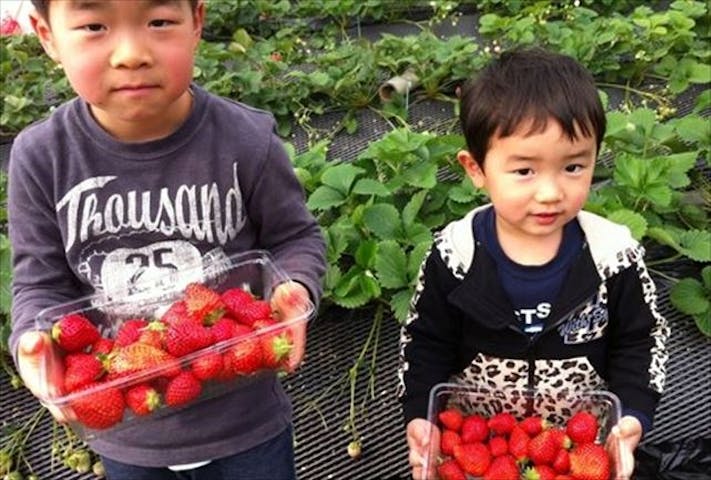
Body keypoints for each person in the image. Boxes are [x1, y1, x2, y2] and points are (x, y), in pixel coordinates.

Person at [8, 1, 326, 479]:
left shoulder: (247, 139)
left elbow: (294, 237)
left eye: (159, 21)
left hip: (245, 416)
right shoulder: (41, 158)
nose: (132, 53)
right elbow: (40, 283)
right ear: (47, 35)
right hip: (127, 423)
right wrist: (34, 337)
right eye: (94, 26)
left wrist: (294, 285)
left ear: (196, 21)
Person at [398, 47, 669, 480]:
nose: (550, 192)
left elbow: (641, 341)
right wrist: (420, 416)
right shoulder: (455, 255)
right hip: (482, 449)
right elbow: (425, 341)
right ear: (476, 169)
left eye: (574, 166)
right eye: (524, 171)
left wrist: (631, 417)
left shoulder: (612, 256)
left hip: (577, 452)